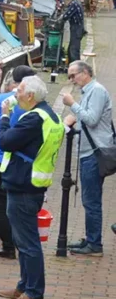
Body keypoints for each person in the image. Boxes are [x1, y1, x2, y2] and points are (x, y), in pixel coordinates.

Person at [0, 75, 64, 299]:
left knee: (27, 243)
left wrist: (4, 116)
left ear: (30, 96)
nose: (15, 93)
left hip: (24, 186)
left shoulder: (34, 119)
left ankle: (33, 293)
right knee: (23, 240)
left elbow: (5, 141)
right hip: (32, 184)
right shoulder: (50, 116)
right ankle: (25, 286)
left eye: (20, 90)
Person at [0, 65, 35, 259]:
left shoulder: (2, 100)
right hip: (22, 160)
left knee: (0, 204)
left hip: (0, 158)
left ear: (13, 81)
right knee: (16, 202)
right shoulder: (34, 101)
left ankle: (8, 245)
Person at [62, 60, 114, 256]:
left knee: (91, 200)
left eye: (73, 75)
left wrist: (73, 105)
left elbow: (91, 119)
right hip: (88, 152)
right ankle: (91, 239)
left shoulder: (97, 91)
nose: (72, 80)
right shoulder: (88, 92)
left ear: (85, 73)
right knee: (88, 198)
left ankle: (95, 244)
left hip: (94, 152)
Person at [57, 0, 85, 65]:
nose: (65, 4)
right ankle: (71, 65)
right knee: (71, 48)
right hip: (76, 27)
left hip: (77, 28)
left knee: (74, 49)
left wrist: (59, 19)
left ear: (67, 0)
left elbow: (66, 15)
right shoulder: (74, 2)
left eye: (65, 2)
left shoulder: (74, 4)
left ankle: (76, 66)